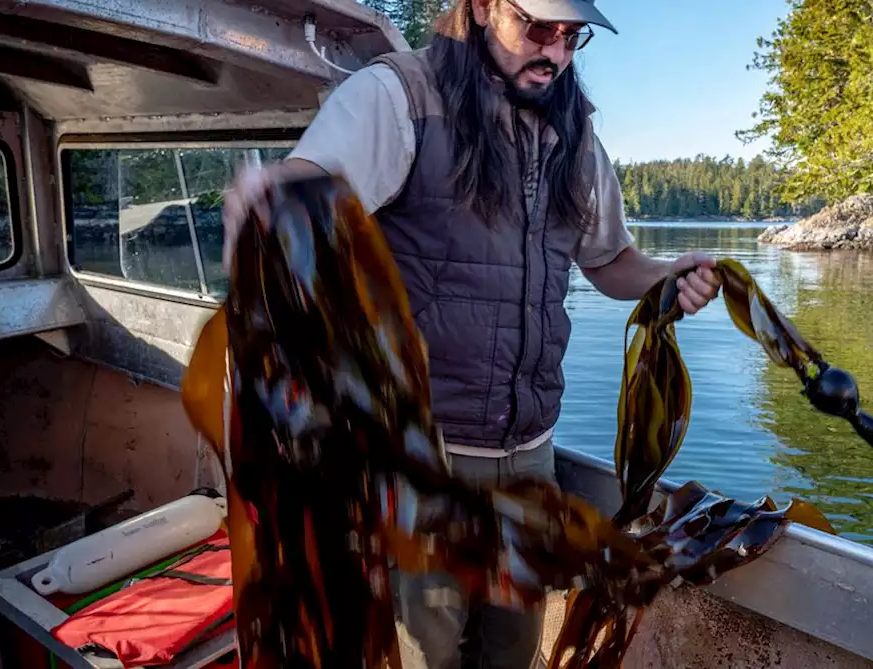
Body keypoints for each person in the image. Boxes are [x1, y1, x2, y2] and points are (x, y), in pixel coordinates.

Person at [218, 0, 721, 667]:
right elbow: (311, 195)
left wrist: (668, 275)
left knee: (511, 651)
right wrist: (272, 197)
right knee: (426, 655)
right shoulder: (400, 97)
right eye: (539, 28)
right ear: (483, 7)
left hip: (531, 458)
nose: (558, 53)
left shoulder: (576, 138)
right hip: (418, 464)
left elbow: (610, 261)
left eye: (574, 36)